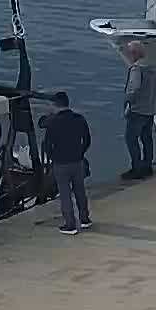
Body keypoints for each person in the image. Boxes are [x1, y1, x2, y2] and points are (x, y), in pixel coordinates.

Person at [41, 92, 91, 234]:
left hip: (61, 163)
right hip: (77, 161)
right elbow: (87, 139)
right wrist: (81, 153)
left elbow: (47, 144)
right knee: (80, 191)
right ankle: (85, 219)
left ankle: (70, 224)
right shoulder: (79, 119)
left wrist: (53, 158)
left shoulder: (53, 122)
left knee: (65, 194)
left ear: (55, 105)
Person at [121, 40, 156, 180]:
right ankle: (147, 166)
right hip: (150, 109)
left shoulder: (137, 68)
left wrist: (128, 103)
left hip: (137, 110)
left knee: (131, 139)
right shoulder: (151, 67)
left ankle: (136, 168)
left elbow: (134, 88)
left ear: (133, 54)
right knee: (147, 139)